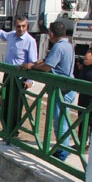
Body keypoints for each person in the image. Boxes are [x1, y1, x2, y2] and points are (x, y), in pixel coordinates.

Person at [21, 21, 76, 161]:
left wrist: (31, 66)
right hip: (68, 88)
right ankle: (62, 149)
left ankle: (62, 153)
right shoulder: (68, 45)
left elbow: (47, 67)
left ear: (51, 34)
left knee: (60, 122)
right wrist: (39, 62)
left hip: (61, 90)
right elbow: (48, 61)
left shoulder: (58, 47)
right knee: (62, 121)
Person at [0, 15, 37, 136]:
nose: (21, 29)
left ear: (27, 26)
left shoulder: (30, 41)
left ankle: (13, 131)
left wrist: (30, 80)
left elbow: (32, 62)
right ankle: (5, 127)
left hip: (19, 77)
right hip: (8, 73)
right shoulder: (11, 35)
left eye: (23, 26)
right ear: (15, 26)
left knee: (16, 105)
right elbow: (1, 33)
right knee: (5, 101)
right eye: (18, 26)